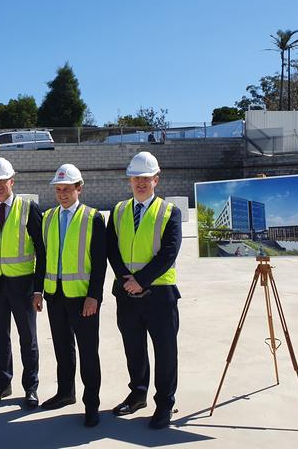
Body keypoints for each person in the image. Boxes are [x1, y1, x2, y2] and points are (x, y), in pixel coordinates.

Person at [107, 151, 182, 430]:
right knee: (134, 348)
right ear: (130, 180)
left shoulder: (168, 211)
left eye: (146, 178)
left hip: (159, 295)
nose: (140, 183)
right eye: (136, 178)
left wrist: (141, 280)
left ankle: (164, 404)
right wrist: (126, 277)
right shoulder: (119, 211)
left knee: (165, 352)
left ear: (156, 180)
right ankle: (138, 394)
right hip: (126, 293)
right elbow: (111, 248)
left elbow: (169, 254)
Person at [33, 164, 107, 428]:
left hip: (82, 298)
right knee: (62, 349)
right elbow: (43, 258)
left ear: (79, 188)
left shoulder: (93, 218)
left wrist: (93, 297)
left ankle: (92, 404)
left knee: (88, 353)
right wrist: (38, 289)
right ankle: (65, 393)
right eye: (59, 189)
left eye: (67, 189)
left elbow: (100, 263)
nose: (62, 194)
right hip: (55, 296)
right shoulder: (49, 217)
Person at [0, 157, 45, 409]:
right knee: (0, 337)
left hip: (23, 284)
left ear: (11, 181)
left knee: (27, 338)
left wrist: (39, 289)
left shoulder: (28, 208)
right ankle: (3, 383)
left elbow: (42, 251)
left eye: (1, 181)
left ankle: (31, 387)